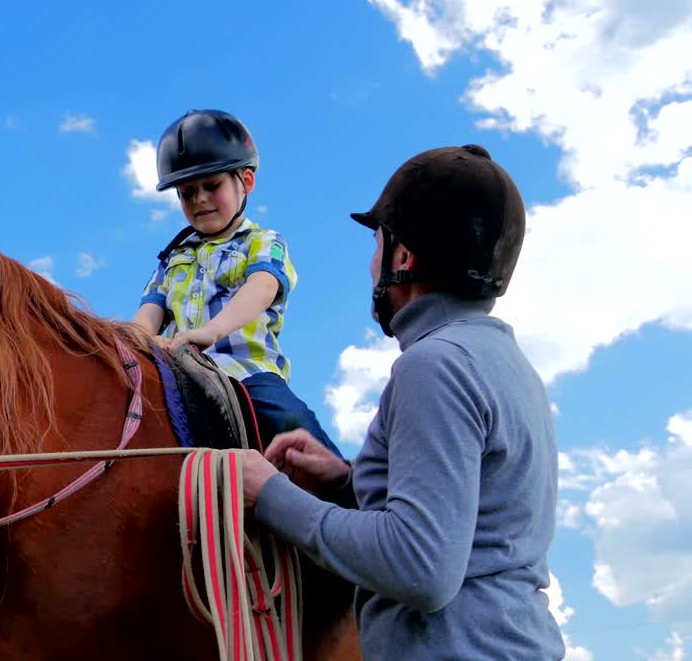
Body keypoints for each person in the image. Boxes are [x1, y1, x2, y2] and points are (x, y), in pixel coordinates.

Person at [238, 144, 564, 660]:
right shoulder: (503, 362)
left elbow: (420, 568)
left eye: (377, 244)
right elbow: (469, 522)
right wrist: (347, 480)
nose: (371, 264)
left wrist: (271, 495)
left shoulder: (435, 364)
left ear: (403, 256)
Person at [131, 109, 340, 454]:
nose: (199, 199)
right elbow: (149, 313)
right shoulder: (172, 258)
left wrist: (211, 331)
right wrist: (127, 340)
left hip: (245, 373)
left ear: (246, 181)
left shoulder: (262, 242)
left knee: (289, 421)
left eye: (212, 186)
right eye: (187, 193)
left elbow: (261, 288)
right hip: (175, 374)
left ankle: (344, 492)